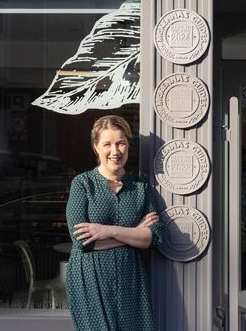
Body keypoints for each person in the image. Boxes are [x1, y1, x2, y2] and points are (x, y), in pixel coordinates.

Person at [65, 115, 164, 331]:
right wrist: (134, 234)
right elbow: (82, 241)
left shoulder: (140, 187)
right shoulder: (83, 184)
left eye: (121, 143)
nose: (115, 151)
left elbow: (154, 236)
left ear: (128, 145)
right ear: (96, 147)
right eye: (107, 144)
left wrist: (106, 231)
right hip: (90, 278)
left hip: (130, 278)